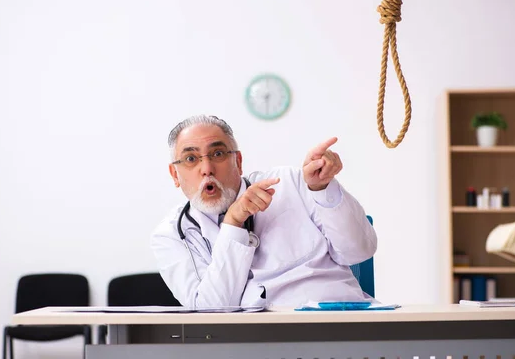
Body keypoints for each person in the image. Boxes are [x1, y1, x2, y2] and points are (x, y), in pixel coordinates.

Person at [150, 115, 377, 308]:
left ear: (238, 161)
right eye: (191, 159)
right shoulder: (170, 235)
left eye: (218, 154)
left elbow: (359, 252)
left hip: (337, 325)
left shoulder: (291, 183)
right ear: (174, 175)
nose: (207, 169)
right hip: (257, 341)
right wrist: (233, 223)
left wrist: (322, 188)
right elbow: (213, 311)